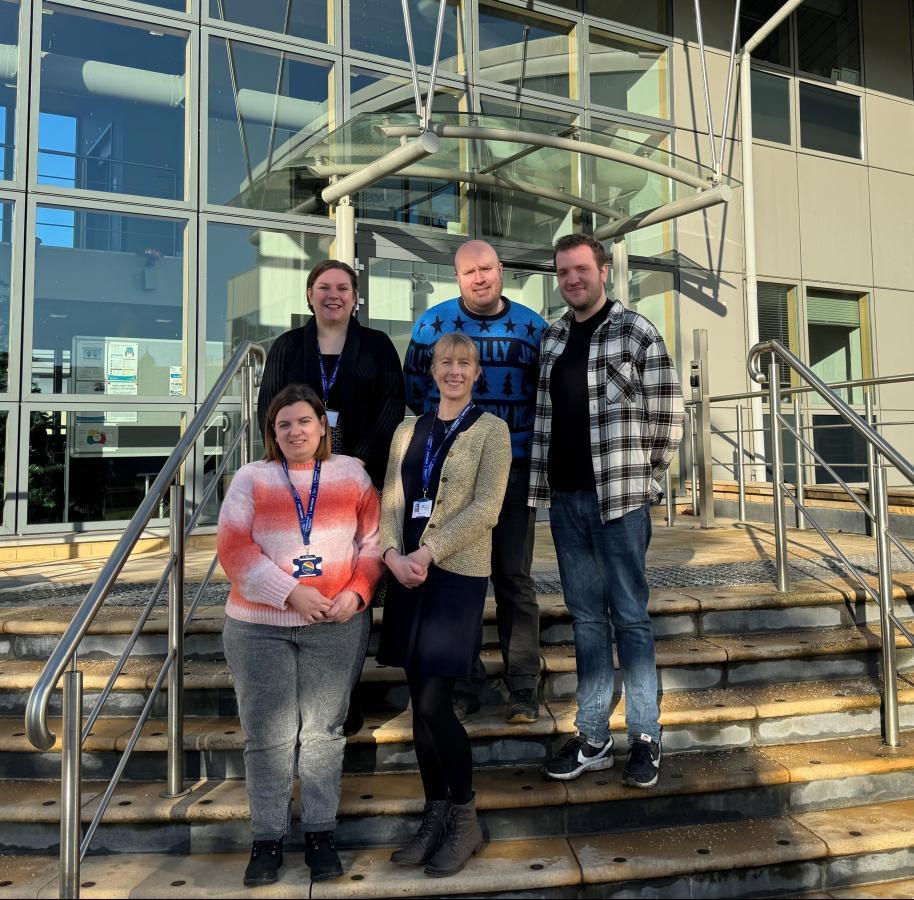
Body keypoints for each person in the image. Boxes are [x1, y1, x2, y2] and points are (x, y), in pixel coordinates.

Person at [530, 233, 684, 789]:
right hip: (567, 501)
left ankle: (645, 735)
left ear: (602, 271)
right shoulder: (551, 339)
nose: (573, 279)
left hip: (621, 500)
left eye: (581, 269)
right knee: (587, 619)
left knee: (630, 617)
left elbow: (668, 414)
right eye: (564, 272)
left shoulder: (635, 330)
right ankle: (593, 735)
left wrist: (646, 478)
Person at [218, 384, 382, 886]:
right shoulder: (252, 477)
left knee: (321, 734)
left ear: (322, 425)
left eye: (304, 421)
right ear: (272, 432)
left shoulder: (352, 473)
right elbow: (232, 548)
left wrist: (357, 592)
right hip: (258, 627)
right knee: (267, 737)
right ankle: (266, 840)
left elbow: (373, 542)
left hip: (335, 623)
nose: (295, 431)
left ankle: (319, 835)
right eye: (284, 424)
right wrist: (288, 593)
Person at [378, 332, 512, 878]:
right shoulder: (409, 430)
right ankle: (434, 816)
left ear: (477, 373)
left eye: (464, 363)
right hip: (406, 575)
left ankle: (464, 816)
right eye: (445, 363)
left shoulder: (492, 431)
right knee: (417, 705)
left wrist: (429, 551)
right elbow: (390, 496)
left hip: (454, 574)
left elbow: (486, 508)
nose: (454, 371)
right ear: (431, 371)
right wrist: (391, 554)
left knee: (435, 703)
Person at [403, 240, 546, 725]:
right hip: (451, 469)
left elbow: (544, 399)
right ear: (457, 276)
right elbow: (414, 392)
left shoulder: (533, 328)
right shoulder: (432, 325)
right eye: (469, 272)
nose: (479, 278)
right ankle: (460, 679)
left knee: (512, 576)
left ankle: (523, 683)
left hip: (515, 466)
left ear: (500, 270)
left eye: (487, 269)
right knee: (455, 576)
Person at [257, 259, 405, 491]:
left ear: (354, 297)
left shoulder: (378, 345)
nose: (333, 295)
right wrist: (296, 457)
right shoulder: (287, 345)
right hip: (298, 474)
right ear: (309, 295)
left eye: (343, 288)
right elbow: (268, 408)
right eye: (324, 288)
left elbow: (391, 407)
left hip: (361, 474)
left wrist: (359, 460)